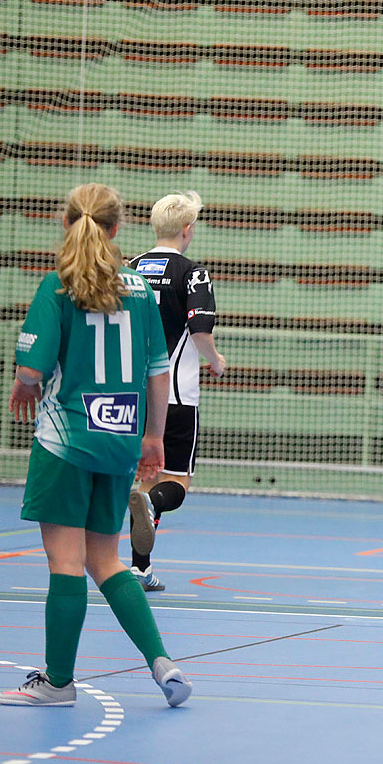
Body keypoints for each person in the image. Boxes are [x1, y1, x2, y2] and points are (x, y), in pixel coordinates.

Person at [0, 184, 191, 707]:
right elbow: (157, 370)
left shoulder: (60, 285)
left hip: (66, 441)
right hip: (121, 440)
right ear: (117, 228)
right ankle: (163, 663)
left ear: (66, 223)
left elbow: (32, 369)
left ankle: (59, 683)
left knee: (65, 561)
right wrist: (152, 436)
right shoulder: (140, 291)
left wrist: (23, 384)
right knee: (106, 561)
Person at [126, 191, 227, 592]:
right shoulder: (192, 272)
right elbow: (200, 331)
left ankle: (139, 569)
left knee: (144, 477)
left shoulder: (130, 269)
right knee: (175, 483)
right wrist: (216, 360)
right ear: (188, 230)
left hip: (131, 397)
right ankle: (154, 506)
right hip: (176, 395)